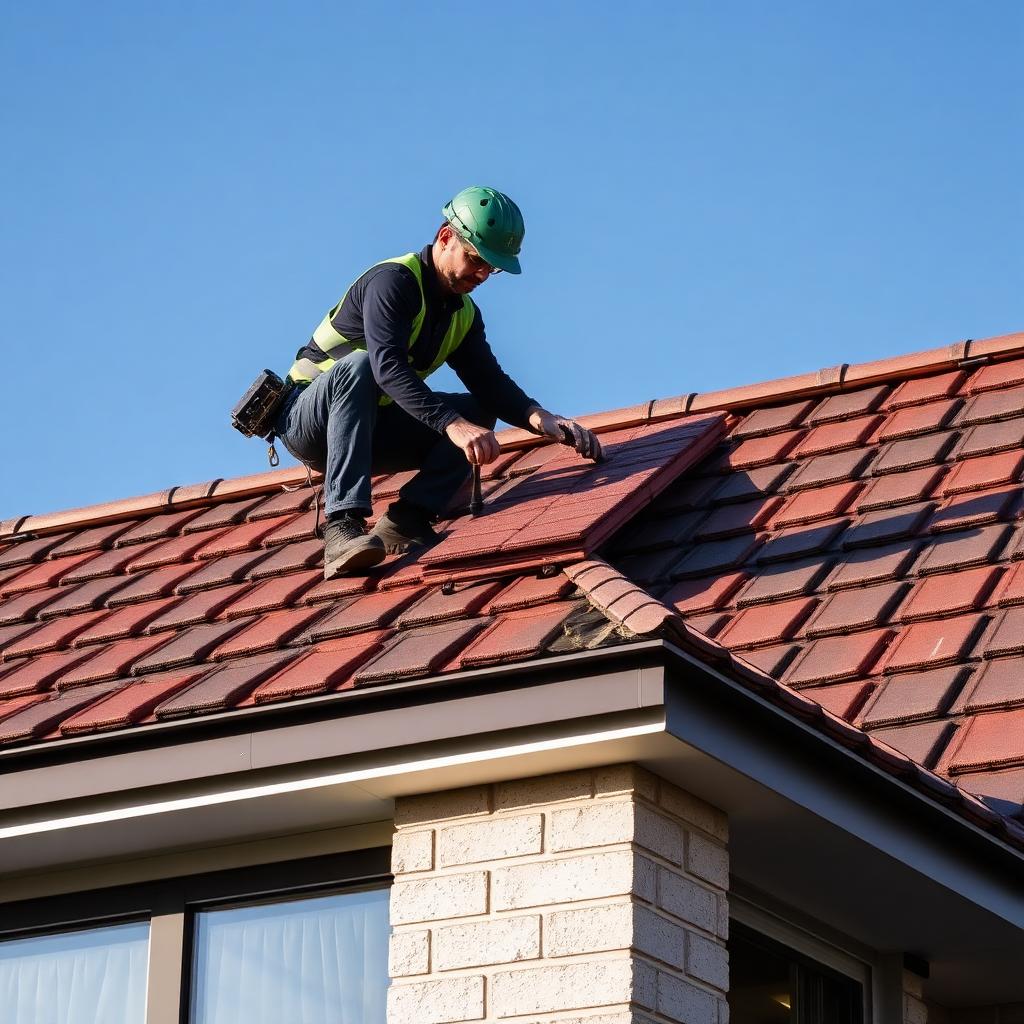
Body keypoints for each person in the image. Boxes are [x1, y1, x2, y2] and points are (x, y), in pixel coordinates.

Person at [273, 186, 602, 579]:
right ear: (446, 237)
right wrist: (453, 426)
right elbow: (387, 368)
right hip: (306, 421)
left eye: (491, 267)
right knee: (361, 366)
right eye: (476, 259)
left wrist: (540, 418)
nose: (482, 274)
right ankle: (342, 528)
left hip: (368, 427)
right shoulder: (392, 282)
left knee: (477, 410)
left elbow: (489, 382)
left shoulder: (463, 314)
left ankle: (407, 520)